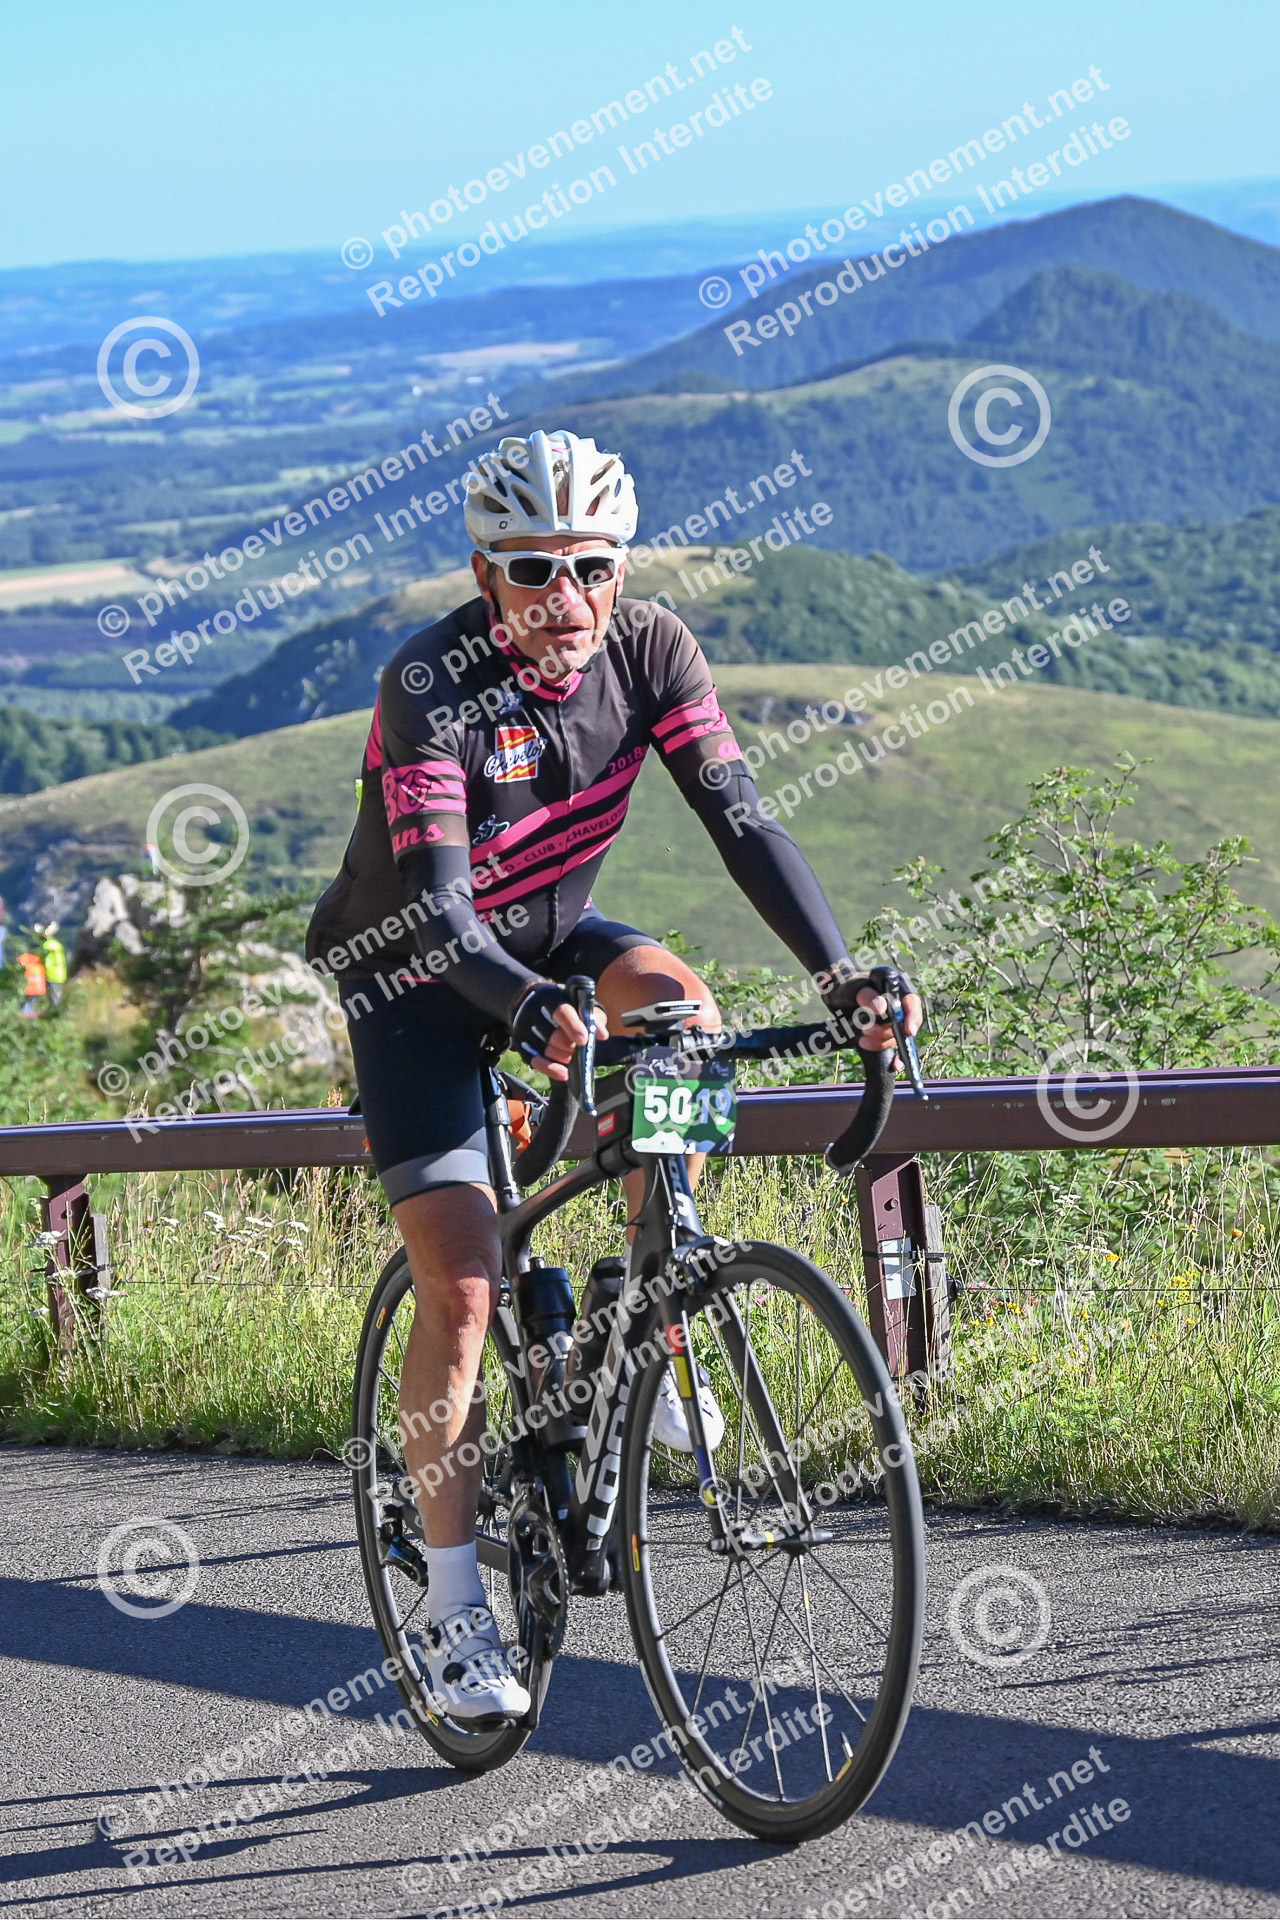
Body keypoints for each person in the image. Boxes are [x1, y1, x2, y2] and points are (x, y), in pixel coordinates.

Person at [307, 428, 922, 1723]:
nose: (565, 596)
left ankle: (659, 1303)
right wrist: (523, 1009)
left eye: (589, 566)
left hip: (548, 939)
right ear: (486, 574)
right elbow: (434, 909)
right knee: (464, 1284)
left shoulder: (652, 650)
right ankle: (453, 1608)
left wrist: (839, 977)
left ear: (621, 568)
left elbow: (738, 814)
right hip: (414, 971)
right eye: (533, 569)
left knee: (682, 1010)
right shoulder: (430, 684)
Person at [38, 923, 67, 1008]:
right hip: (60, 974)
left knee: (53, 998)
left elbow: (41, 956)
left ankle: (55, 1012)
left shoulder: (48, 945)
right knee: (58, 996)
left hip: (52, 975)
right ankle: (58, 1011)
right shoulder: (56, 944)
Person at [17, 946, 46, 1017]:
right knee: (32, 1004)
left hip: (30, 990)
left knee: (25, 1007)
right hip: (40, 989)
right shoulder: (39, 964)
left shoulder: (26, 964)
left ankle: (26, 1015)